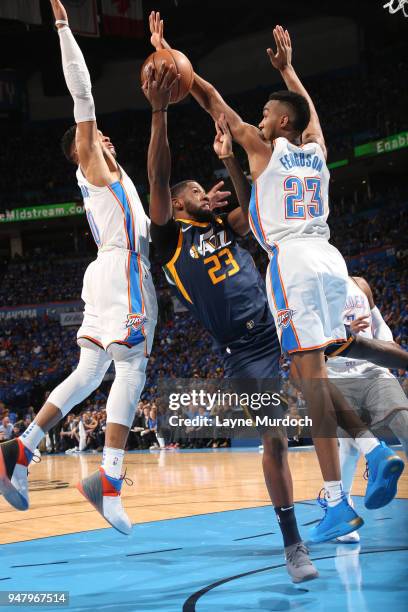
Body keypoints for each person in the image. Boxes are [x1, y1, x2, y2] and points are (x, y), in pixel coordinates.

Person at [149, 13, 404, 543]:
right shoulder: (317, 152)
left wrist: (177, 64)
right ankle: (363, 467)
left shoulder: (267, 148)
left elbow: (214, 100)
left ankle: (343, 490)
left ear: (279, 126)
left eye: (266, 114)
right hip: (331, 257)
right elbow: (311, 120)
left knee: (310, 378)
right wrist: (290, 72)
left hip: (293, 263)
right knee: (325, 368)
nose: (259, 119)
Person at [142, 61, 318, 583]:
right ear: (177, 203)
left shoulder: (222, 220)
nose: (208, 193)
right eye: (197, 191)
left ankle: (343, 495)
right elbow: (156, 175)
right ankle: (293, 543)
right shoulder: (169, 236)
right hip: (246, 349)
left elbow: (255, 211)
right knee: (276, 438)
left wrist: (233, 168)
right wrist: (158, 113)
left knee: (342, 380)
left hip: (278, 312)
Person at [0, 0, 157, 535]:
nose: (107, 137)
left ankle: (21, 448)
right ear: (82, 150)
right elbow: (83, 94)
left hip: (105, 272)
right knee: (132, 368)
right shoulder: (91, 158)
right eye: (98, 136)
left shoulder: (113, 175)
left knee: (90, 371)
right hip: (123, 272)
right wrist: (65, 29)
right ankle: (108, 480)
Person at [326, 276, 408, 542]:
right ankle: (343, 505)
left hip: (373, 370)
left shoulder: (359, 284)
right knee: (349, 446)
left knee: (404, 420)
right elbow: (309, 342)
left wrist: (384, 349)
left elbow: (380, 324)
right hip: (336, 376)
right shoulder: (315, 290)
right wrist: (344, 332)